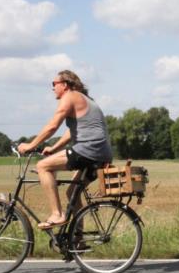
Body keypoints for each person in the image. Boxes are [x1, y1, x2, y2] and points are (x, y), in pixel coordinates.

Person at [18, 70, 113, 229]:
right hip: (102, 154)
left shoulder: (70, 96)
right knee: (72, 192)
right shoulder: (85, 99)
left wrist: (30, 145)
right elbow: (72, 131)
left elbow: (52, 126)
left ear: (65, 85)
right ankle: (78, 237)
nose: (52, 88)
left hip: (88, 150)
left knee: (42, 166)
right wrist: (54, 148)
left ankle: (57, 214)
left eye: (54, 84)